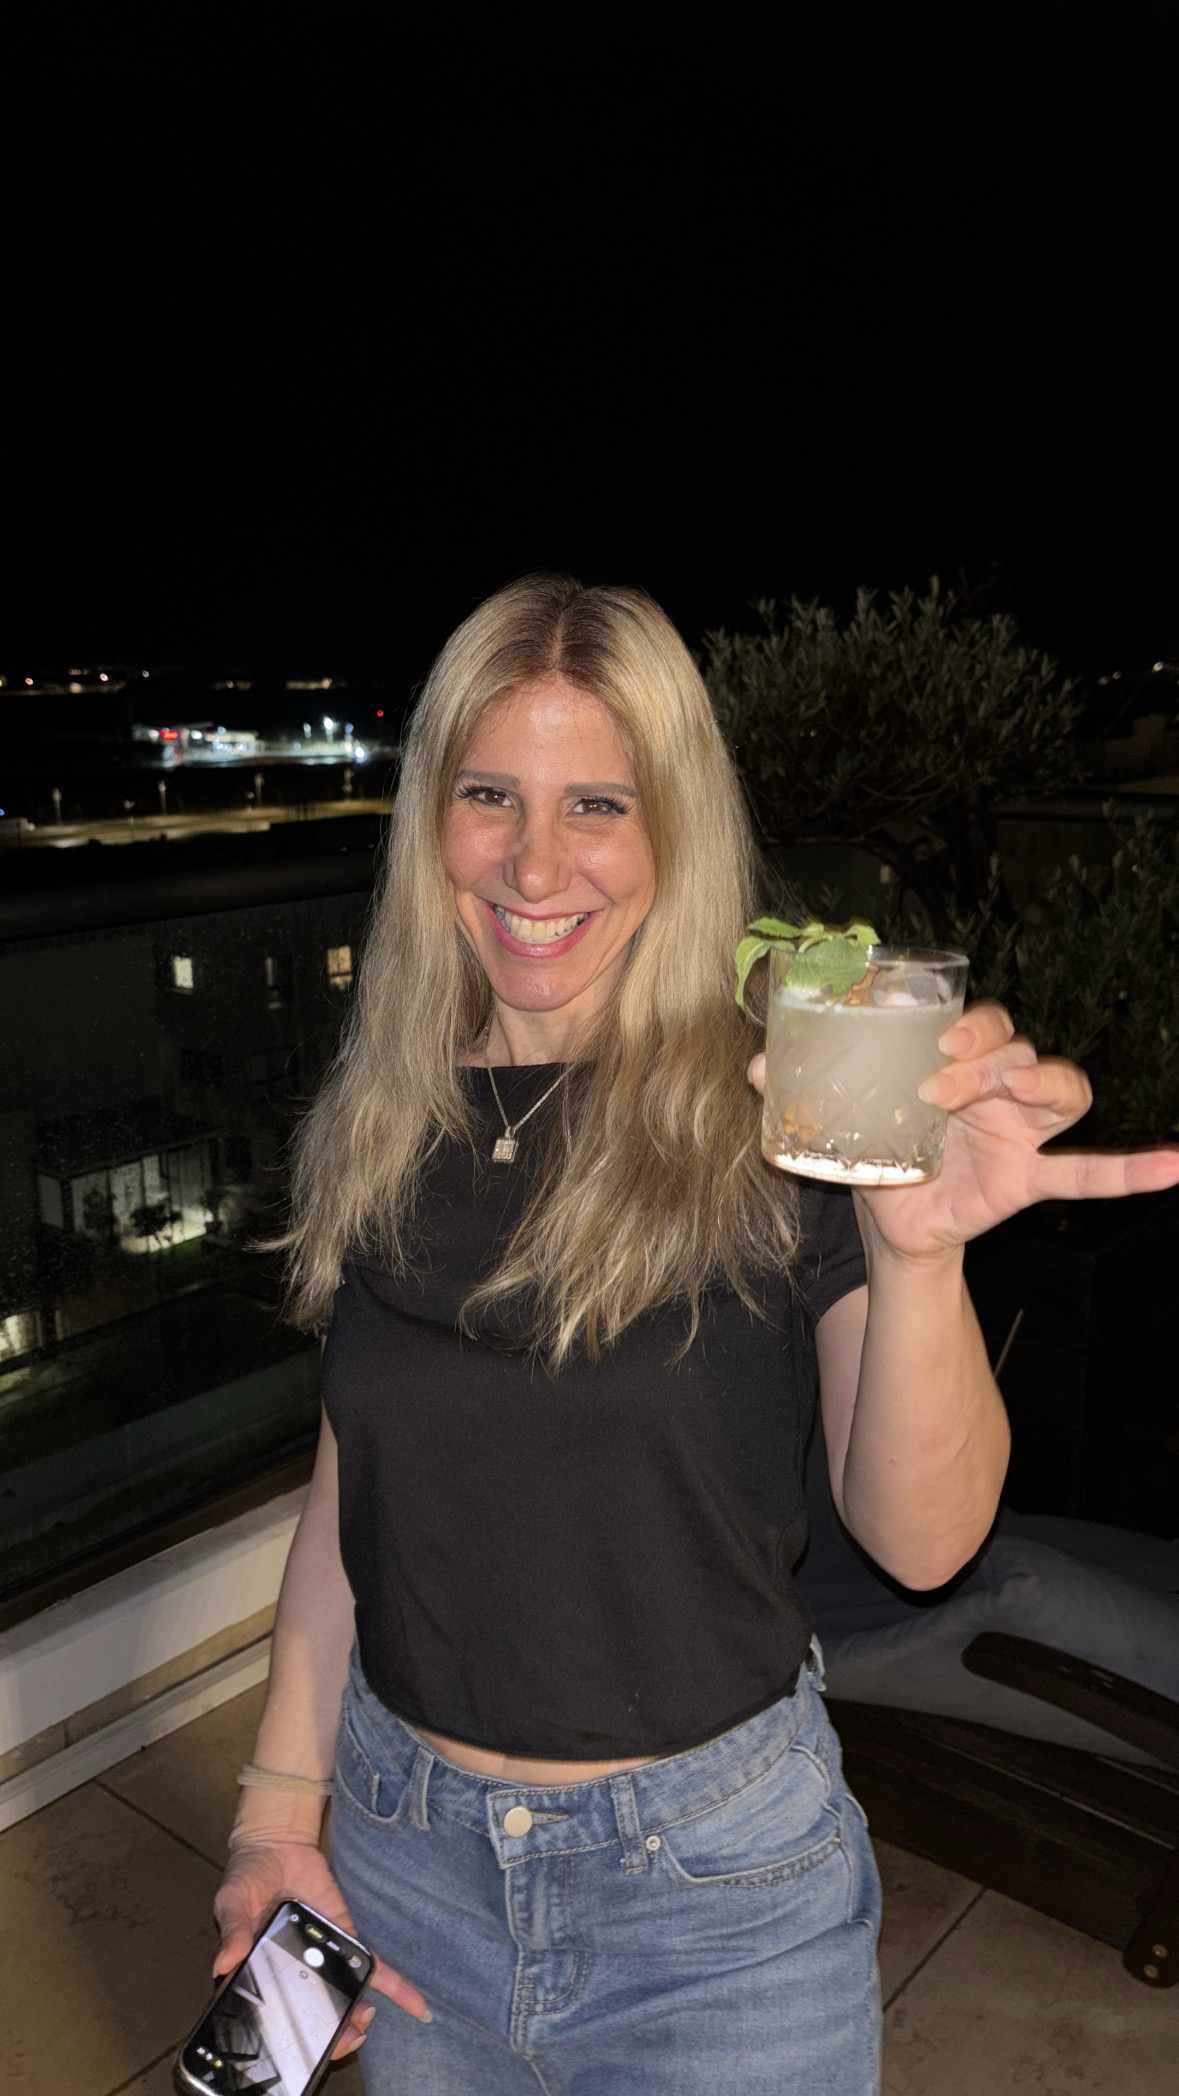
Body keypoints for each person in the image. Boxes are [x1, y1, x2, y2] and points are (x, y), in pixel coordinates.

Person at [212, 575, 1179, 2094]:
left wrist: (916, 1254)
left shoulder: (783, 1106)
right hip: (409, 1863)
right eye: (489, 795)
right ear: (431, 819)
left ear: (675, 829)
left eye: (597, 804)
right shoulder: (385, 1115)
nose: (535, 862)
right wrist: (277, 1816)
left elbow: (926, 1542)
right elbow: (356, 1500)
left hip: (712, 1906)